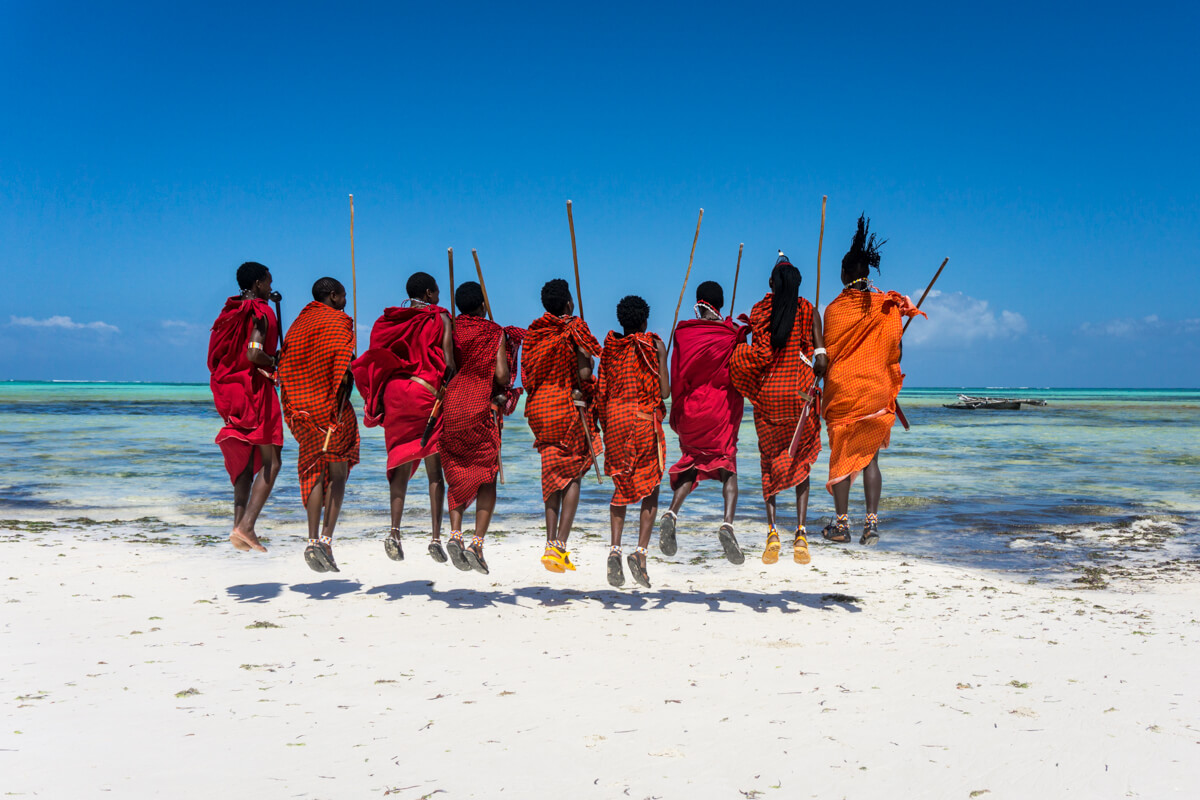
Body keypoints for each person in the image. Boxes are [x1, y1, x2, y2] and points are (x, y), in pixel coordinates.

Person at [821, 215, 923, 545]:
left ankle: (841, 524)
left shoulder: (833, 310)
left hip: (844, 392)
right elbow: (897, 352)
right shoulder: (887, 307)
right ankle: (872, 524)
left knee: (841, 455)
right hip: (876, 392)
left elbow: (827, 358)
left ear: (845, 274)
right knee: (871, 459)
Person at [350, 271, 456, 562]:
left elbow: (378, 352)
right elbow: (448, 363)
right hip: (424, 392)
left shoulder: (390, 320)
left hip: (395, 395)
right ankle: (435, 538)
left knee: (399, 462)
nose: (439, 297)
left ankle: (394, 531)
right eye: (436, 292)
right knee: (434, 470)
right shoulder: (439, 317)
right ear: (429, 293)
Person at [730, 253, 828, 566]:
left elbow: (757, 354)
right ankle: (800, 532)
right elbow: (821, 361)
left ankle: (772, 531)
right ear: (797, 283)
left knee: (769, 461)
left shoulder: (760, 310)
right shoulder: (808, 310)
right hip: (798, 397)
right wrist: (816, 368)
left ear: (771, 283)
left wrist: (737, 352)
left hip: (769, 398)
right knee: (801, 462)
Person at [438, 281, 524, 575]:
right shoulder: (493, 331)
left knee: (457, 470)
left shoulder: (450, 327)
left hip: (452, 406)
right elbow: (501, 375)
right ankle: (476, 543)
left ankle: (454, 534)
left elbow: (445, 364)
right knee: (486, 475)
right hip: (479, 405)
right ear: (483, 305)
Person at [659, 280, 748, 564]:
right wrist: (734, 334)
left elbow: (677, 377)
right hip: (719, 409)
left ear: (698, 302)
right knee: (727, 465)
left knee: (692, 461)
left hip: (691, 412)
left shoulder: (683, 333)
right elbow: (741, 371)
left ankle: (672, 513)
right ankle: (727, 524)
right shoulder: (732, 333)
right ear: (720, 304)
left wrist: (678, 415)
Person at [277, 277, 360, 573]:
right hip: (330, 409)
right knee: (338, 474)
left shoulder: (298, 323)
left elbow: (285, 366)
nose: (345, 301)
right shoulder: (340, 323)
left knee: (312, 469)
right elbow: (342, 369)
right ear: (333, 295)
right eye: (343, 296)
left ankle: (311, 540)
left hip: (300, 411)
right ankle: (326, 540)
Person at [521, 278, 603, 573]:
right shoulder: (574, 329)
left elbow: (527, 376)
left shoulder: (534, 333)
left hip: (540, 410)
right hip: (566, 409)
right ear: (569, 302)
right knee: (572, 476)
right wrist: (587, 372)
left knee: (552, 475)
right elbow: (584, 372)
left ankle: (550, 543)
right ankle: (559, 545)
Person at [207, 261, 284, 554]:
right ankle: (247, 526)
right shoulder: (260, 311)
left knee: (245, 460)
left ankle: (237, 525)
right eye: (268, 282)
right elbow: (254, 353)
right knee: (272, 461)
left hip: (233, 390)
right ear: (257, 285)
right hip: (257, 390)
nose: (271, 287)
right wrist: (275, 361)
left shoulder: (233, 310)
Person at [597, 295, 669, 588]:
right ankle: (640, 553)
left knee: (621, 484)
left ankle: (615, 548)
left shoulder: (609, 349)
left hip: (615, 419)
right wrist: (663, 357)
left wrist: (605, 425)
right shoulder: (653, 345)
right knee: (651, 484)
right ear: (644, 321)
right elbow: (664, 392)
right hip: (641, 420)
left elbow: (601, 391)